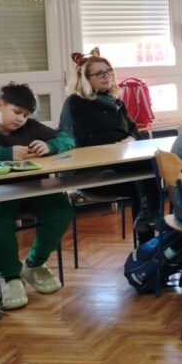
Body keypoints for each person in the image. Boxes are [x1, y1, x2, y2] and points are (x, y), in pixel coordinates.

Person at [0, 83, 76, 310]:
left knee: (61, 210)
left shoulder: (33, 127)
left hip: (33, 188)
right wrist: (4, 154)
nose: (21, 119)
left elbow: (68, 139)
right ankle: (9, 277)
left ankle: (34, 264)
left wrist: (50, 146)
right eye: (17, 112)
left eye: (26, 115)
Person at [59, 49, 161, 242]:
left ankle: (147, 231)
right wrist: (118, 143)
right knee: (145, 175)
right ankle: (148, 231)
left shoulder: (115, 101)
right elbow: (80, 141)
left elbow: (134, 131)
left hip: (119, 166)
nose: (106, 76)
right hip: (91, 172)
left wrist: (128, 141)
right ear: (85, 78)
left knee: (149, 170)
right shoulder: (75, 103)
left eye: (108, 71)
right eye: (99, 73)